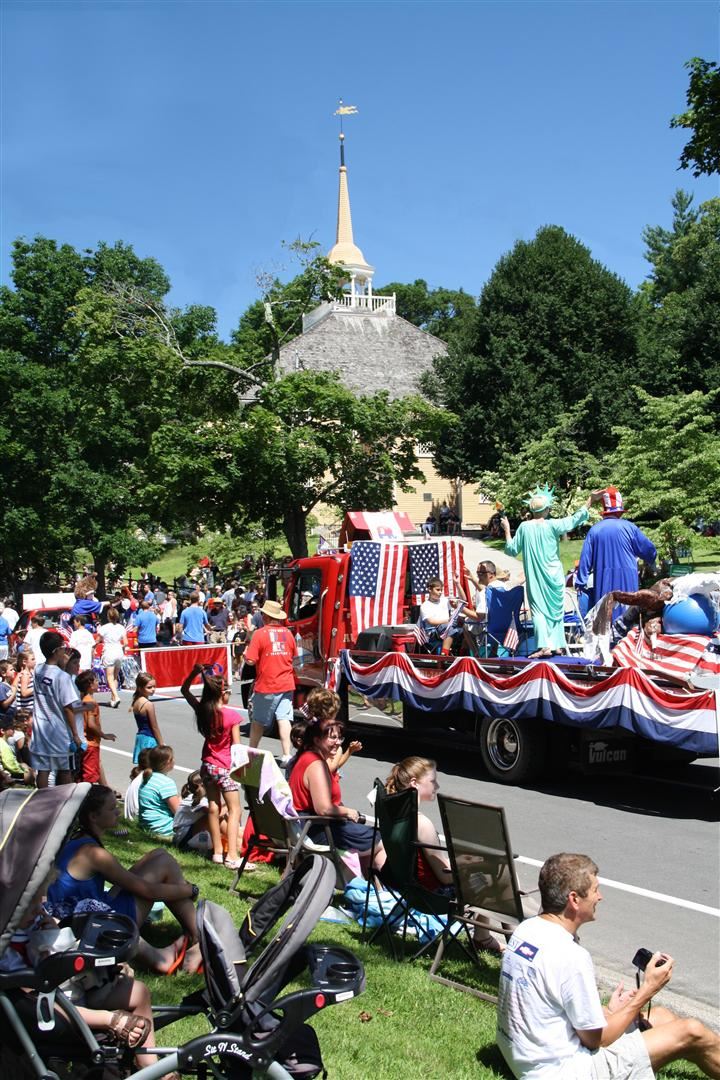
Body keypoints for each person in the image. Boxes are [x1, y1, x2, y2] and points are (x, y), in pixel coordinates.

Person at [496, 852, 720, 1079]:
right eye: (595, 890)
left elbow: (554, 1007)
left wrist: (613, 1011)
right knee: (692, 1031)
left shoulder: (526, 930)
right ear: (574, 900)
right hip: (564, 1071)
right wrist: (647, 990)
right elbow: (596, 1040)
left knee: (661, 1017)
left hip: (525, 1056)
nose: (600, 897)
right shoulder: (571, 955)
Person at [47, 784, 202, 974]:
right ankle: (199, 937)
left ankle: (196, 936)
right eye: (112, 808)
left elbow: (124, 878)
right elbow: (148, 891)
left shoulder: (77, 838)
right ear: (93, 816)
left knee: (160, 855)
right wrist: (190, 889)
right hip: (91, 926)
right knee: (165, 864)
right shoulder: (93, 853)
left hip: (79, 917)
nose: (118, 811)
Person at [384, 755, 503, 951]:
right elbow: (445, 877)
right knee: (498, 878)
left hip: (409, 888)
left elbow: (430, 862)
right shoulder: (422, 824)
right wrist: (470, 866)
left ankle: (488, 937)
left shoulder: (397, 816)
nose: (437, 786)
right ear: (414, 783)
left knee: (488, 869)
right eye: (432, 781)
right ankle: (493, 939)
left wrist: (463, 860)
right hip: (435, 896)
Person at [288, 689, 384, 874]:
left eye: (339, 737)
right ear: (317, 738)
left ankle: (368, 890)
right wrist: (349, 812)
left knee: (370, 838)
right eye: (332, 737)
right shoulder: (316, 764)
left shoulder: (305, 756)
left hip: (307, 825)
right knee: (378, 839)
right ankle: (377, 894)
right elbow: (324, 809)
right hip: (316, 829)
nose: (338, 742)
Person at [502, 486, 603, 658]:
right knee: (555, 610)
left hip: (537, 576)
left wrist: (506, 529)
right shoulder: (553, 525)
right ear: (547, 510)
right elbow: (574, 520)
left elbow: (511, 549)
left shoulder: (525, 527)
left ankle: (544, 646)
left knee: (539, 610)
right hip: (555, 575)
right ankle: (557, 645)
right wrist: (590, 500)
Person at [181, 664, 243, 870]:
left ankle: (217, 851)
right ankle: (232, 854)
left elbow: (184, 690)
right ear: (223, 693)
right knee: (235, 810)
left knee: (213, 807)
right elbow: (236, 746)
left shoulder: (203, 710)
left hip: (207, 764)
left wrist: (194, 672)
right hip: (225, 766)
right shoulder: (232, 716)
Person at [576, 487, 657, 616]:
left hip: (603, 579)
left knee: (605, 616)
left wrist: (580, 582)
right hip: (627, 578)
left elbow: (585, 560)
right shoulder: (630, 528)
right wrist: (651, 561)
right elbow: (649, 551)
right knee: (628, 614)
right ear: (620, 511)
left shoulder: (594, 531)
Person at [243, 599, 296, 765]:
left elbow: (251, 660)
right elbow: (293, 655)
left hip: (267, 683)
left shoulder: (260, 634)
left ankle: (252, 751)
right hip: (286, 681)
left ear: (265, 616)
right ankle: (287, 754)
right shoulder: (288, 633)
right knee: (284, 717)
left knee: (258, 720)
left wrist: (245, 654)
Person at [30, 632, 85, 788]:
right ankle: (63, 802)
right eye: (63, 648)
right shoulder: (63, 677)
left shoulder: (38, 669)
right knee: (65, 770)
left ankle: (41, 800)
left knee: (43, 770)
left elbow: (51, 676)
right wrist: (75, 735)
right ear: (56, 651)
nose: (64, 651)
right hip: (59, 734)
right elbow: (68, 708)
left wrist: (62, 665)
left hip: (40, 731)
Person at [76, 669, 116, 785]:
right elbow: (91, 724)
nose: (98, 682)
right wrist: (104, 735)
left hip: (83, 742)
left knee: (83, 773)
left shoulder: (82, 700)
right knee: (89, 776)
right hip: (91, 743)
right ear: (90, 684)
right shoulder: (91, 703)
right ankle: (88, 799)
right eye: (96, 680)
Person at [419, 577, 477, 655]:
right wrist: (449, 620)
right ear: (429, 589)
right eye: (438, 590)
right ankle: (444, 656)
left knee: (466, 628)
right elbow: (431, 621)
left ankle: (466, 654)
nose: (440, 592)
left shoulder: (444, 600)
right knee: (448, 627)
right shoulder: (425, 605)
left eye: (441, 590)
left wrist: (457, 583)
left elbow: (463, 599)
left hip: (447, 628)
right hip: (433, 632)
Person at [137, 745, 179, 839]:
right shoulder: (167, 783)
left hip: (146, 826)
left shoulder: (147, 778)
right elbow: (178, 813)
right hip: (163, 829)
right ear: (168, 762)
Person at [172, 771, 212, 853]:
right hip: (183, 839)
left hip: (187, 836)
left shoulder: (203, 799)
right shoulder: (196, 799)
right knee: (210, 817)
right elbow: (213, 813)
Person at [97, 607, 128, 708]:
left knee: (109, 676)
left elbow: (98, 640)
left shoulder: (104, 628)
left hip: (109, 651)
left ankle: (116, 696)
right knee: (115, 676)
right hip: (119, 651)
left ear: (108, 616)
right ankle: (113, 699)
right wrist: (121, 647)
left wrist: (94, 646)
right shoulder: (121, 627)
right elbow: (126, 642)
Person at [130, 672, 164, 764]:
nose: (153, 689)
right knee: (153, 766)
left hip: (140, 738)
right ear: (140, 688)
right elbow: (154, 727)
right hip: (149, 739)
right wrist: (161, 744)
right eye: (149, 687)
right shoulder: (148, 704)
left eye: (154, 686)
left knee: (143, 767)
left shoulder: (136, 702)